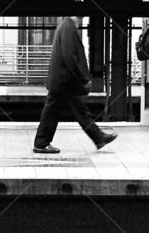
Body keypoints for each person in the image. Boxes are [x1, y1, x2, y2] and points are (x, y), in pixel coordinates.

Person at [33, 16, 117, 154]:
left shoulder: (66, 25)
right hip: (63, 80)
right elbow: (70, 56)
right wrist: (83, 78)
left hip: (63, 80)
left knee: (75, 110)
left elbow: (70, 56)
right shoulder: (68, 27)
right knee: (58, 111)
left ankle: (99, 137)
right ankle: (41, 143)